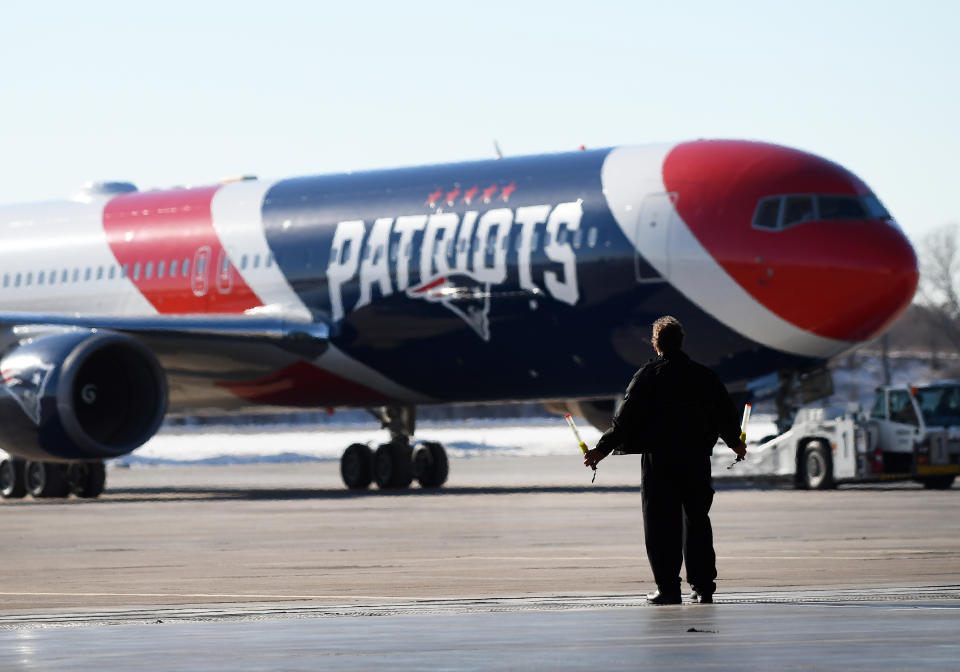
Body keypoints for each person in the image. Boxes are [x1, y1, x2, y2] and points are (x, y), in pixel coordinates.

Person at [584, 315, 747, 605]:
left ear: (656, 344)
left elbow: (624, 420)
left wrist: (600, 450)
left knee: (661, 525)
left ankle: (668, 588)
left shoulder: (647, 376)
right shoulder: (704, 376)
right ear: (681, 342)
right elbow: (725, 415)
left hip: (660, 461)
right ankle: (703, 586)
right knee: (697, 520)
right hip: (696, 458)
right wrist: (736, 444)